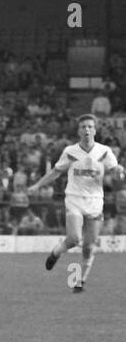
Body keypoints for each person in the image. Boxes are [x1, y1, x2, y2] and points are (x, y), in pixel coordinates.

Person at [31, 114, 124, 293]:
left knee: (89, 246)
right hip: (74, 199)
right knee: (74, 239)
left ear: (95, 130)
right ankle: (55, 253)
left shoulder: (104, 151)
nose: (87, 129)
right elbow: (55, 173)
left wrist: (119, 171)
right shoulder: (70, 151)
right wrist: (37, 185)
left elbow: (114, 171)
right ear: (79, 131)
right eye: (83, 127)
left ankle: (80, 281)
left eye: (90, 126)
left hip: (95, 201)